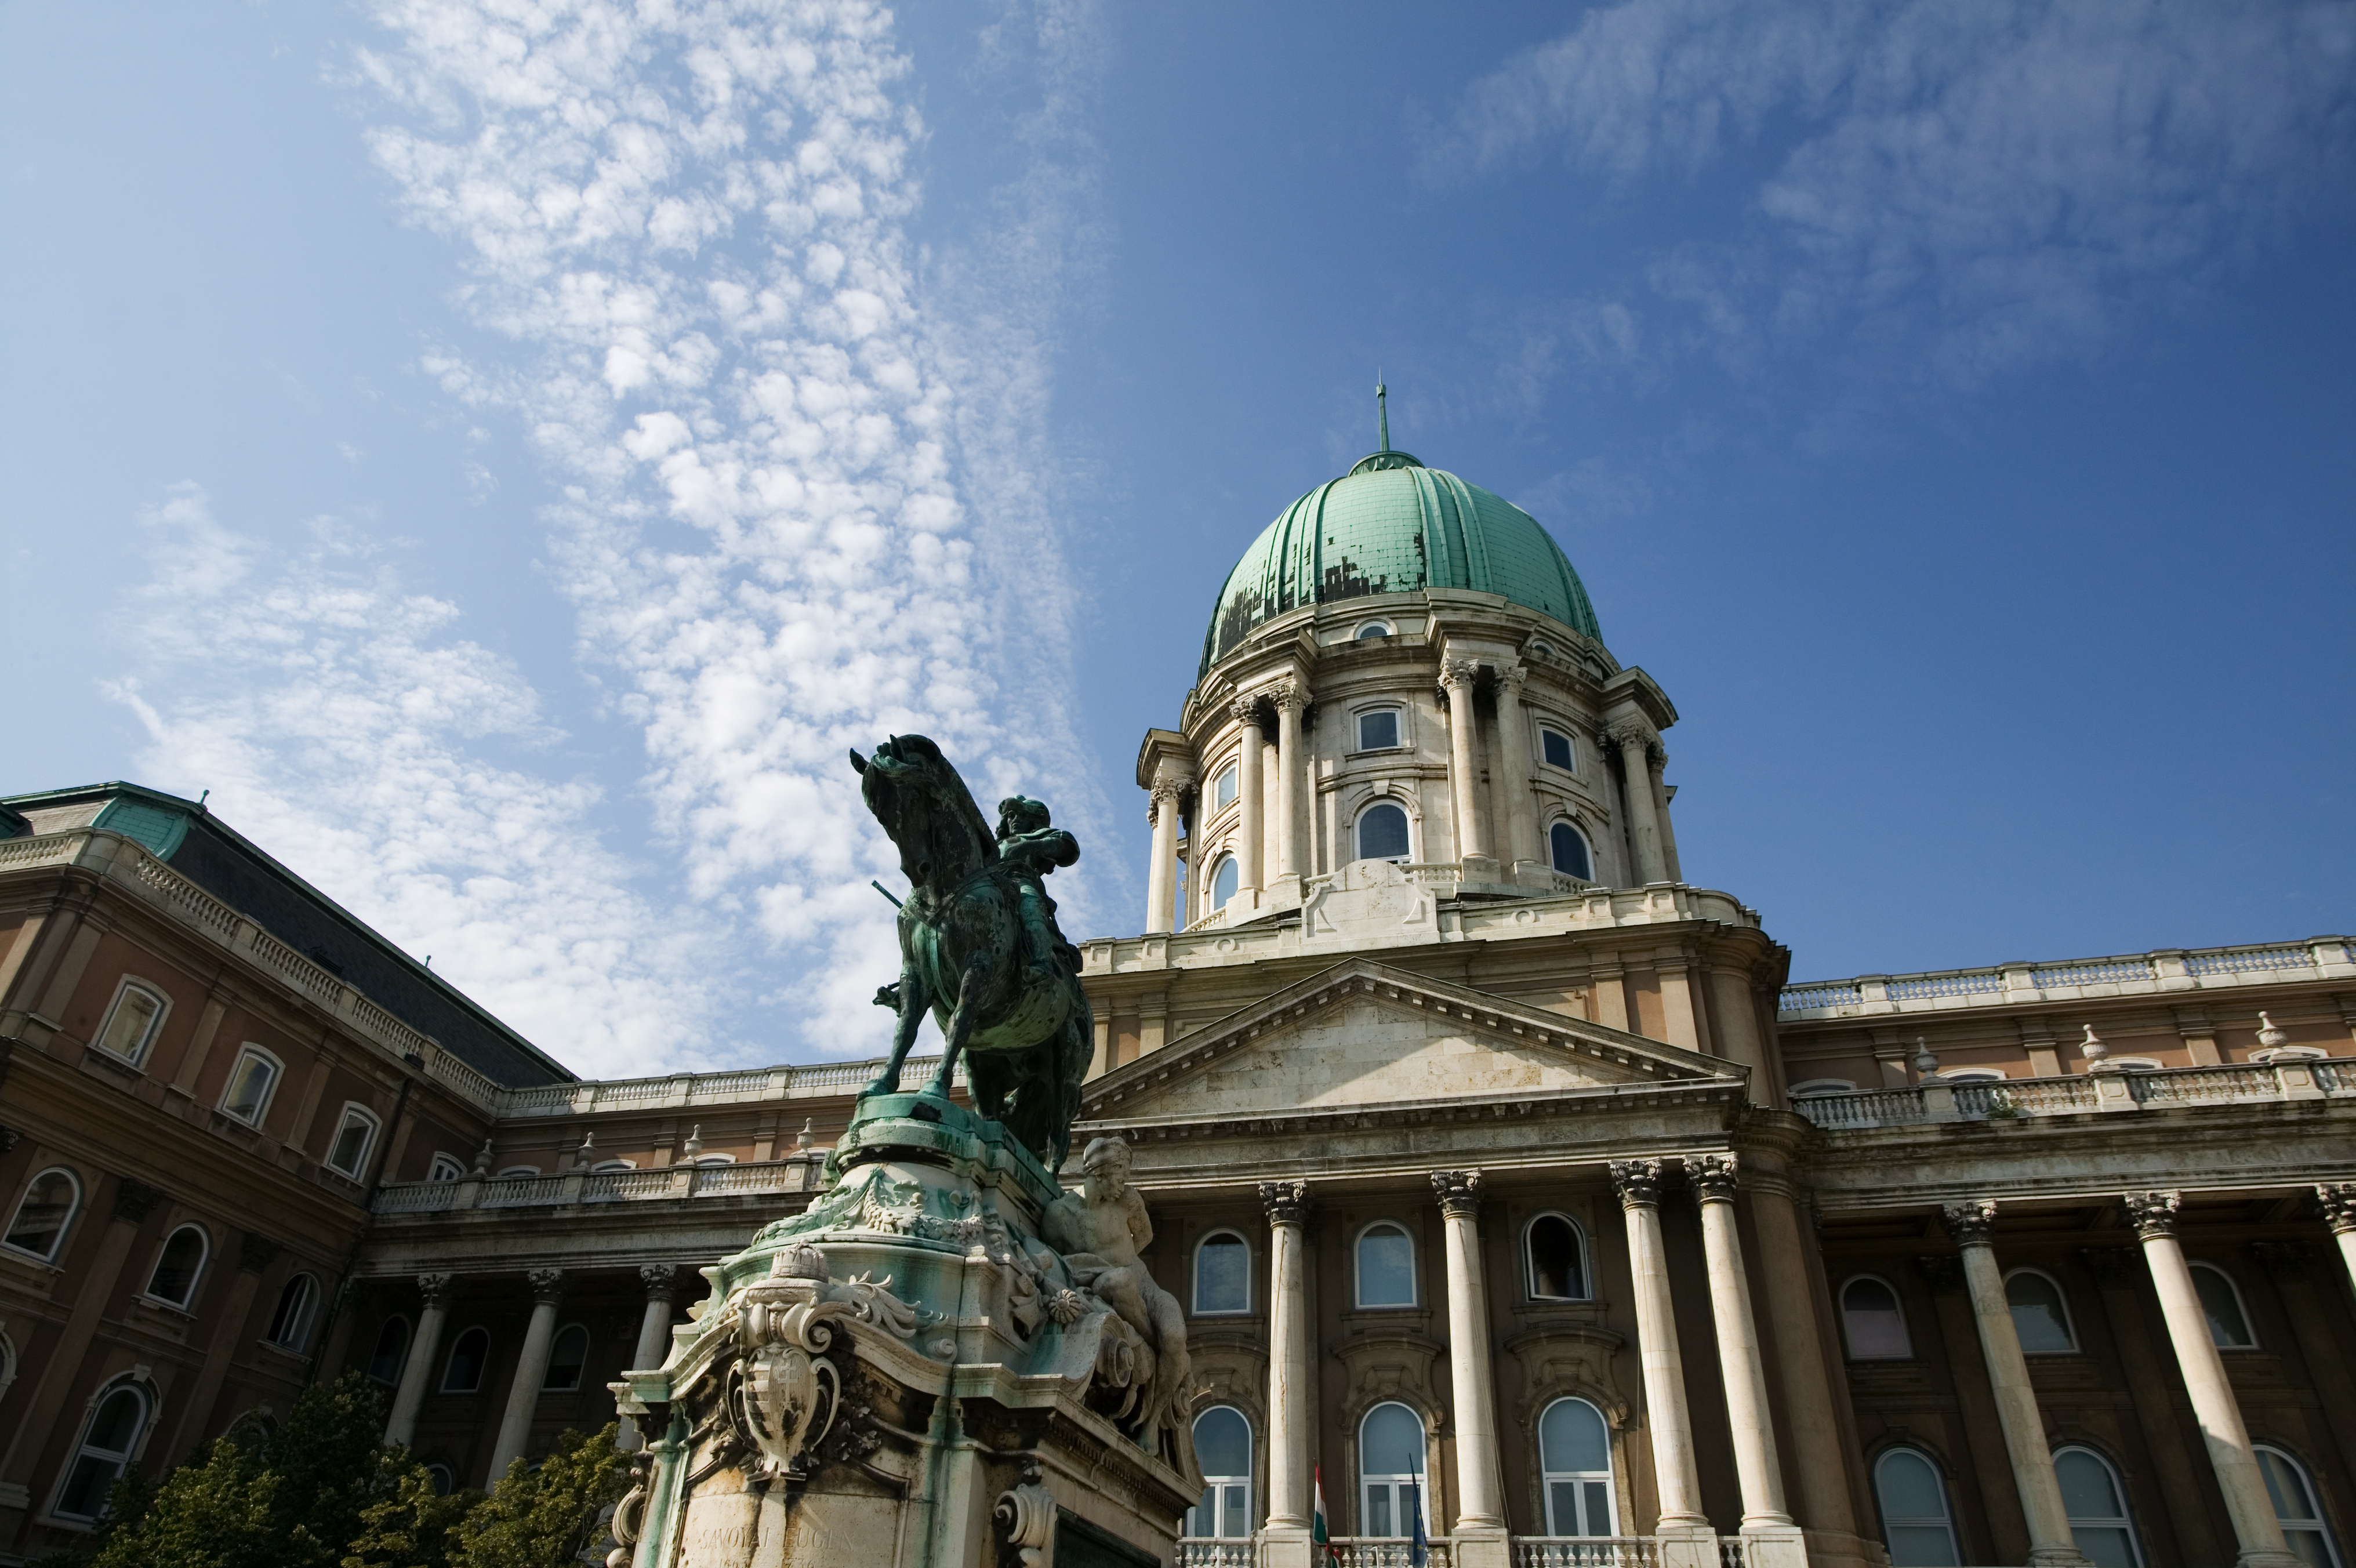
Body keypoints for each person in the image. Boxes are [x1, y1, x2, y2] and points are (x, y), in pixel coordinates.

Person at [1041, 1136, 1189, 1431]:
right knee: (1119, 1281)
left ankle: (1152, 1424)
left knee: (1175, 1336)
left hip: (1143, 1282)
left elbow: (1145, 1236)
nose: (1124, 1186)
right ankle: (1153, 1345)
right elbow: (1059, 1262)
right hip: (1102, 1285)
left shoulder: (1128, 1201)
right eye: (1120, 1179)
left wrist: (1124, 1260)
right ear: (1100, 1173)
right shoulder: (1060, 1216)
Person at [994, 795, 1080, 985]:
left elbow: (1065, 844)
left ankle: (1042, 963)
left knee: (1031, 908)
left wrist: (1029, 846)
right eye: (1011, 816)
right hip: (989, 883)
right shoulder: (994, 845)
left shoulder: (1036, 836)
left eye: (1021, 815)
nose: (1015, 820)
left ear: (1033, 820)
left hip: (1021, 881)